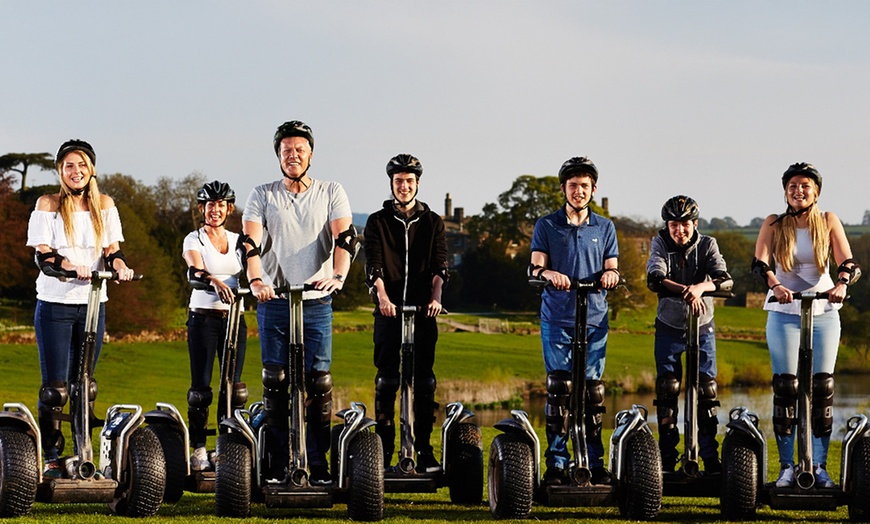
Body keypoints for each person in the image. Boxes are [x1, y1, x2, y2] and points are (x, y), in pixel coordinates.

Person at [241, 120, 356, 486]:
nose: (293, 155)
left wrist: (337, 276)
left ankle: (318, 462)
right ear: (278, 155)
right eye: (286, 150)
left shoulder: (331, 191)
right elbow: (250, 243)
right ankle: (276, 462)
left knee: (317, 383)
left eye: (300, 149)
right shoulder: (262, 194)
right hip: (274, 299)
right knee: (275, 381)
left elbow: (346, 238)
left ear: (311, 154)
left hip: (317, 301)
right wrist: (257, 278)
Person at [26, 139, 135, 478]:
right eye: (69, 166)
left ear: (92, 169)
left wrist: (119, 266)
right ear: (60, 171)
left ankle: (83, 455)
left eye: (82, 165)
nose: (76, 171)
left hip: (92, 306)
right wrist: (70, 265)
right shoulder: (48, 203)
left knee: (84, 387)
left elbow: (112, 249)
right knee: (56, 390)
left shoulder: (105, 203)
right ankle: (53, 458)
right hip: (56, 304)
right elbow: (43, 256)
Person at [753, 162, 861, 489]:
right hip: (784, 311)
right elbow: (759, 263)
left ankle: (820, 466)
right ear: (785, 191)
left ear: (816, 191)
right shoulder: (774, 222)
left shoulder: (829, 221)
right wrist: (775, 285)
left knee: (822, 389)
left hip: (824, 310)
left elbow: (849, 263)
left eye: (805, 186)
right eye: (793, 186)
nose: (798, 191)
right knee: (786, 389)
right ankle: (787, 467)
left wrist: (841, 283)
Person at [529, 156, 620, 486]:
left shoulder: (605, 227)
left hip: (594, 317)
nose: (578, 191)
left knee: (593, 392)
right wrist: (549, 272)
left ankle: (593, 461)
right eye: (572, 186)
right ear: (563, 189)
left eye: (584, 186)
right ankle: (556, 464)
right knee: (560, 389)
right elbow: (534, 268)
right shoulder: (547, 225)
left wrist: (610, 275)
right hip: (557, 316)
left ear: (593, 189)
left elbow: (612, 266)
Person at [364, 154, 449, 472]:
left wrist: (436, 296)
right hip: (389, 312)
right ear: (392, 184)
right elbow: (373, 264)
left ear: (417, 184)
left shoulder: (433, 222)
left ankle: (423, 449)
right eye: (398, 181)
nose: (404, 186)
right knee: (387, 381)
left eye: (409, 181)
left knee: (425, 382)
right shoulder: (378, 221)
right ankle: (383, 452)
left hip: (424, 312)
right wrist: (382, 297)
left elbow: (440, 265)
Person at [646, 195, 732, 474]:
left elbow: (724, 279)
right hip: (669, 326)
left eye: (684, 224)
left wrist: (701, 288)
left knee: (707, 391)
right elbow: (654, 278)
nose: (679, 230)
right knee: (668, 389)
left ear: (694, 223)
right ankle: (667, 457)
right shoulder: (660, 243)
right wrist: (689, 290)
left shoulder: (707, 244)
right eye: (673, 225)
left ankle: (709, 458)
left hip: (702, 325)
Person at [182, 180, 247, 472]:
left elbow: (257, 268)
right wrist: (214, 280)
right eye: (210, 205)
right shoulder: (194, 239)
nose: (215, 210)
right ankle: (198, 447)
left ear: (229, 208)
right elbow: (194, 268)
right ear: (202, 208)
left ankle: (226, 447)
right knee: (202, 388)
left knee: (232, 387)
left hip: (235, 319)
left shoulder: (238, 240)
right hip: (204, 318)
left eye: (221, 205)